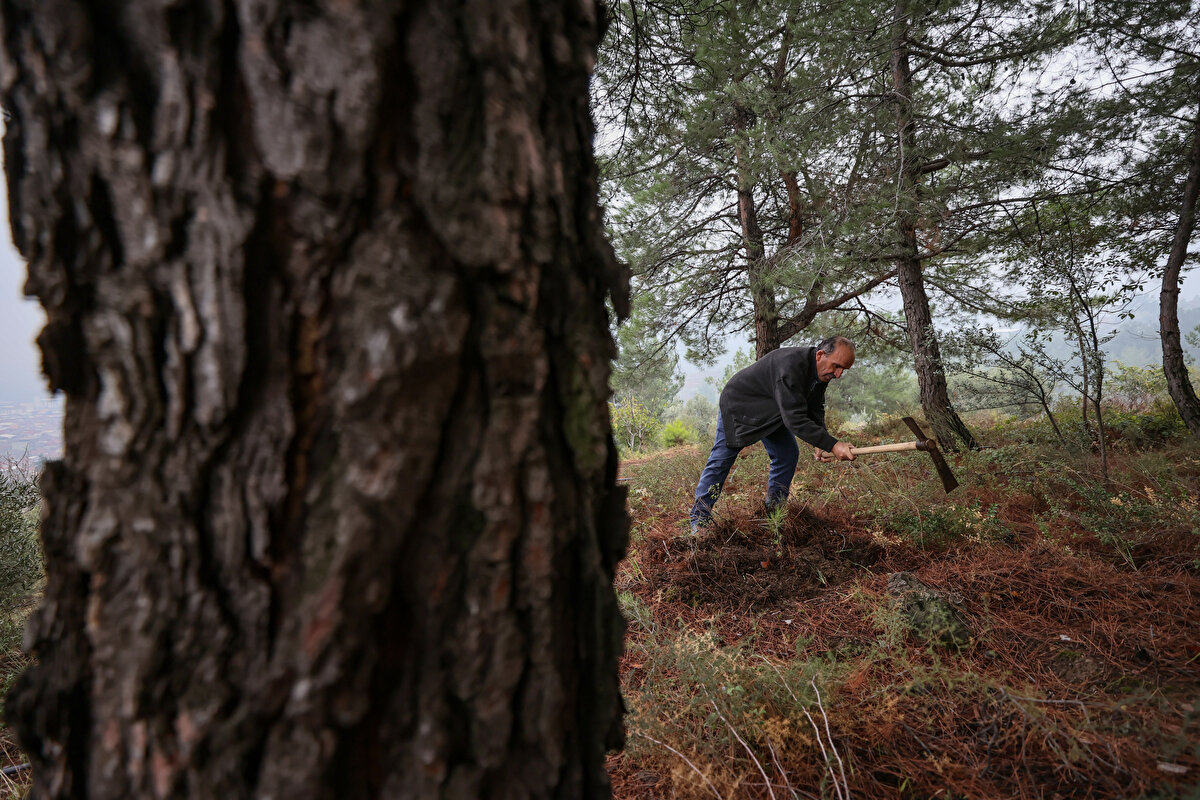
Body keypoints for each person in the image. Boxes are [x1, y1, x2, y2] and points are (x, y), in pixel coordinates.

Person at [690, 335, 857, 531]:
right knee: (721, 460)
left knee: (787, 454)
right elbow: (794, 419)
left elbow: (815, 406)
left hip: (773, 409)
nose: (838, 375)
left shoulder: (821, 371)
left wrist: (820, 440)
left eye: (843, 370)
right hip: (740, 405)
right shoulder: (790, 367)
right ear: (820, 355)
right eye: (837, 367)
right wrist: (833, 444)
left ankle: (773, 514)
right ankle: (698, 523)